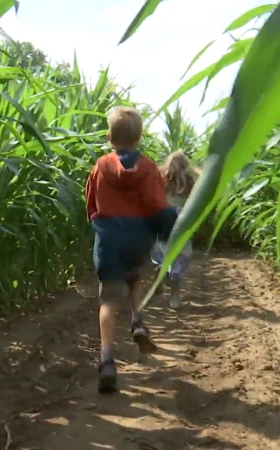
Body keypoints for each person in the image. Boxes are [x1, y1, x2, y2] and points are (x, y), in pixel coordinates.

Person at [85, 106, 178, 394]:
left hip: (110, 239)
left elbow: (90, 203)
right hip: (138, 239)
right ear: (139, 138)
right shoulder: (149, 168)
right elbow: (157, 206)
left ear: (109, 136)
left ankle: (107, 360)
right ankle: (138, 320)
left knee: (109, 299)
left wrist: (101, 227)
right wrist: (168, 231)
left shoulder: (100, 167)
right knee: (135, 279)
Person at [150, 150, 199, 310]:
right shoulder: (189, 183)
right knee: (177, 261)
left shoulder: (164, 179)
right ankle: (174, 295)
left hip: (166, 225)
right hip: (178, 227)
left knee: (162, 255)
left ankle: (160, 272)